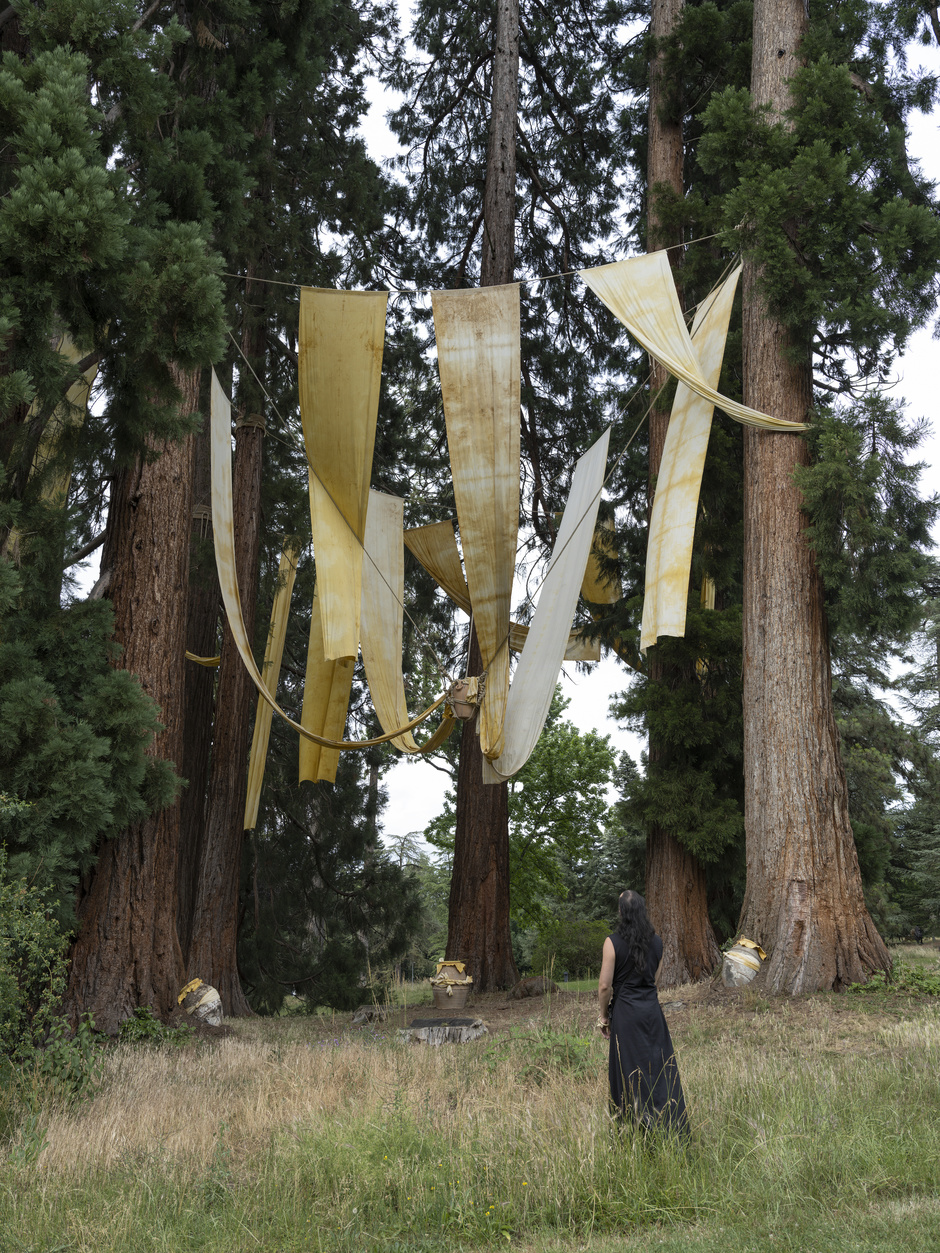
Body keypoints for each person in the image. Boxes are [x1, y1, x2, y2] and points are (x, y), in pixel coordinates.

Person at [597, 889, 688, 1134]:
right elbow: (654, 980)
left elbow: (605, 986)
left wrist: (603, 1017)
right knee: (658, 1069)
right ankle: (667, 1127)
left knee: (628, 1071)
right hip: (652, 1012)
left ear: (621, 912)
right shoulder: (657, 942)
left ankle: (634, 1131)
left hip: (626, 1014)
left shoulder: (612, 942)